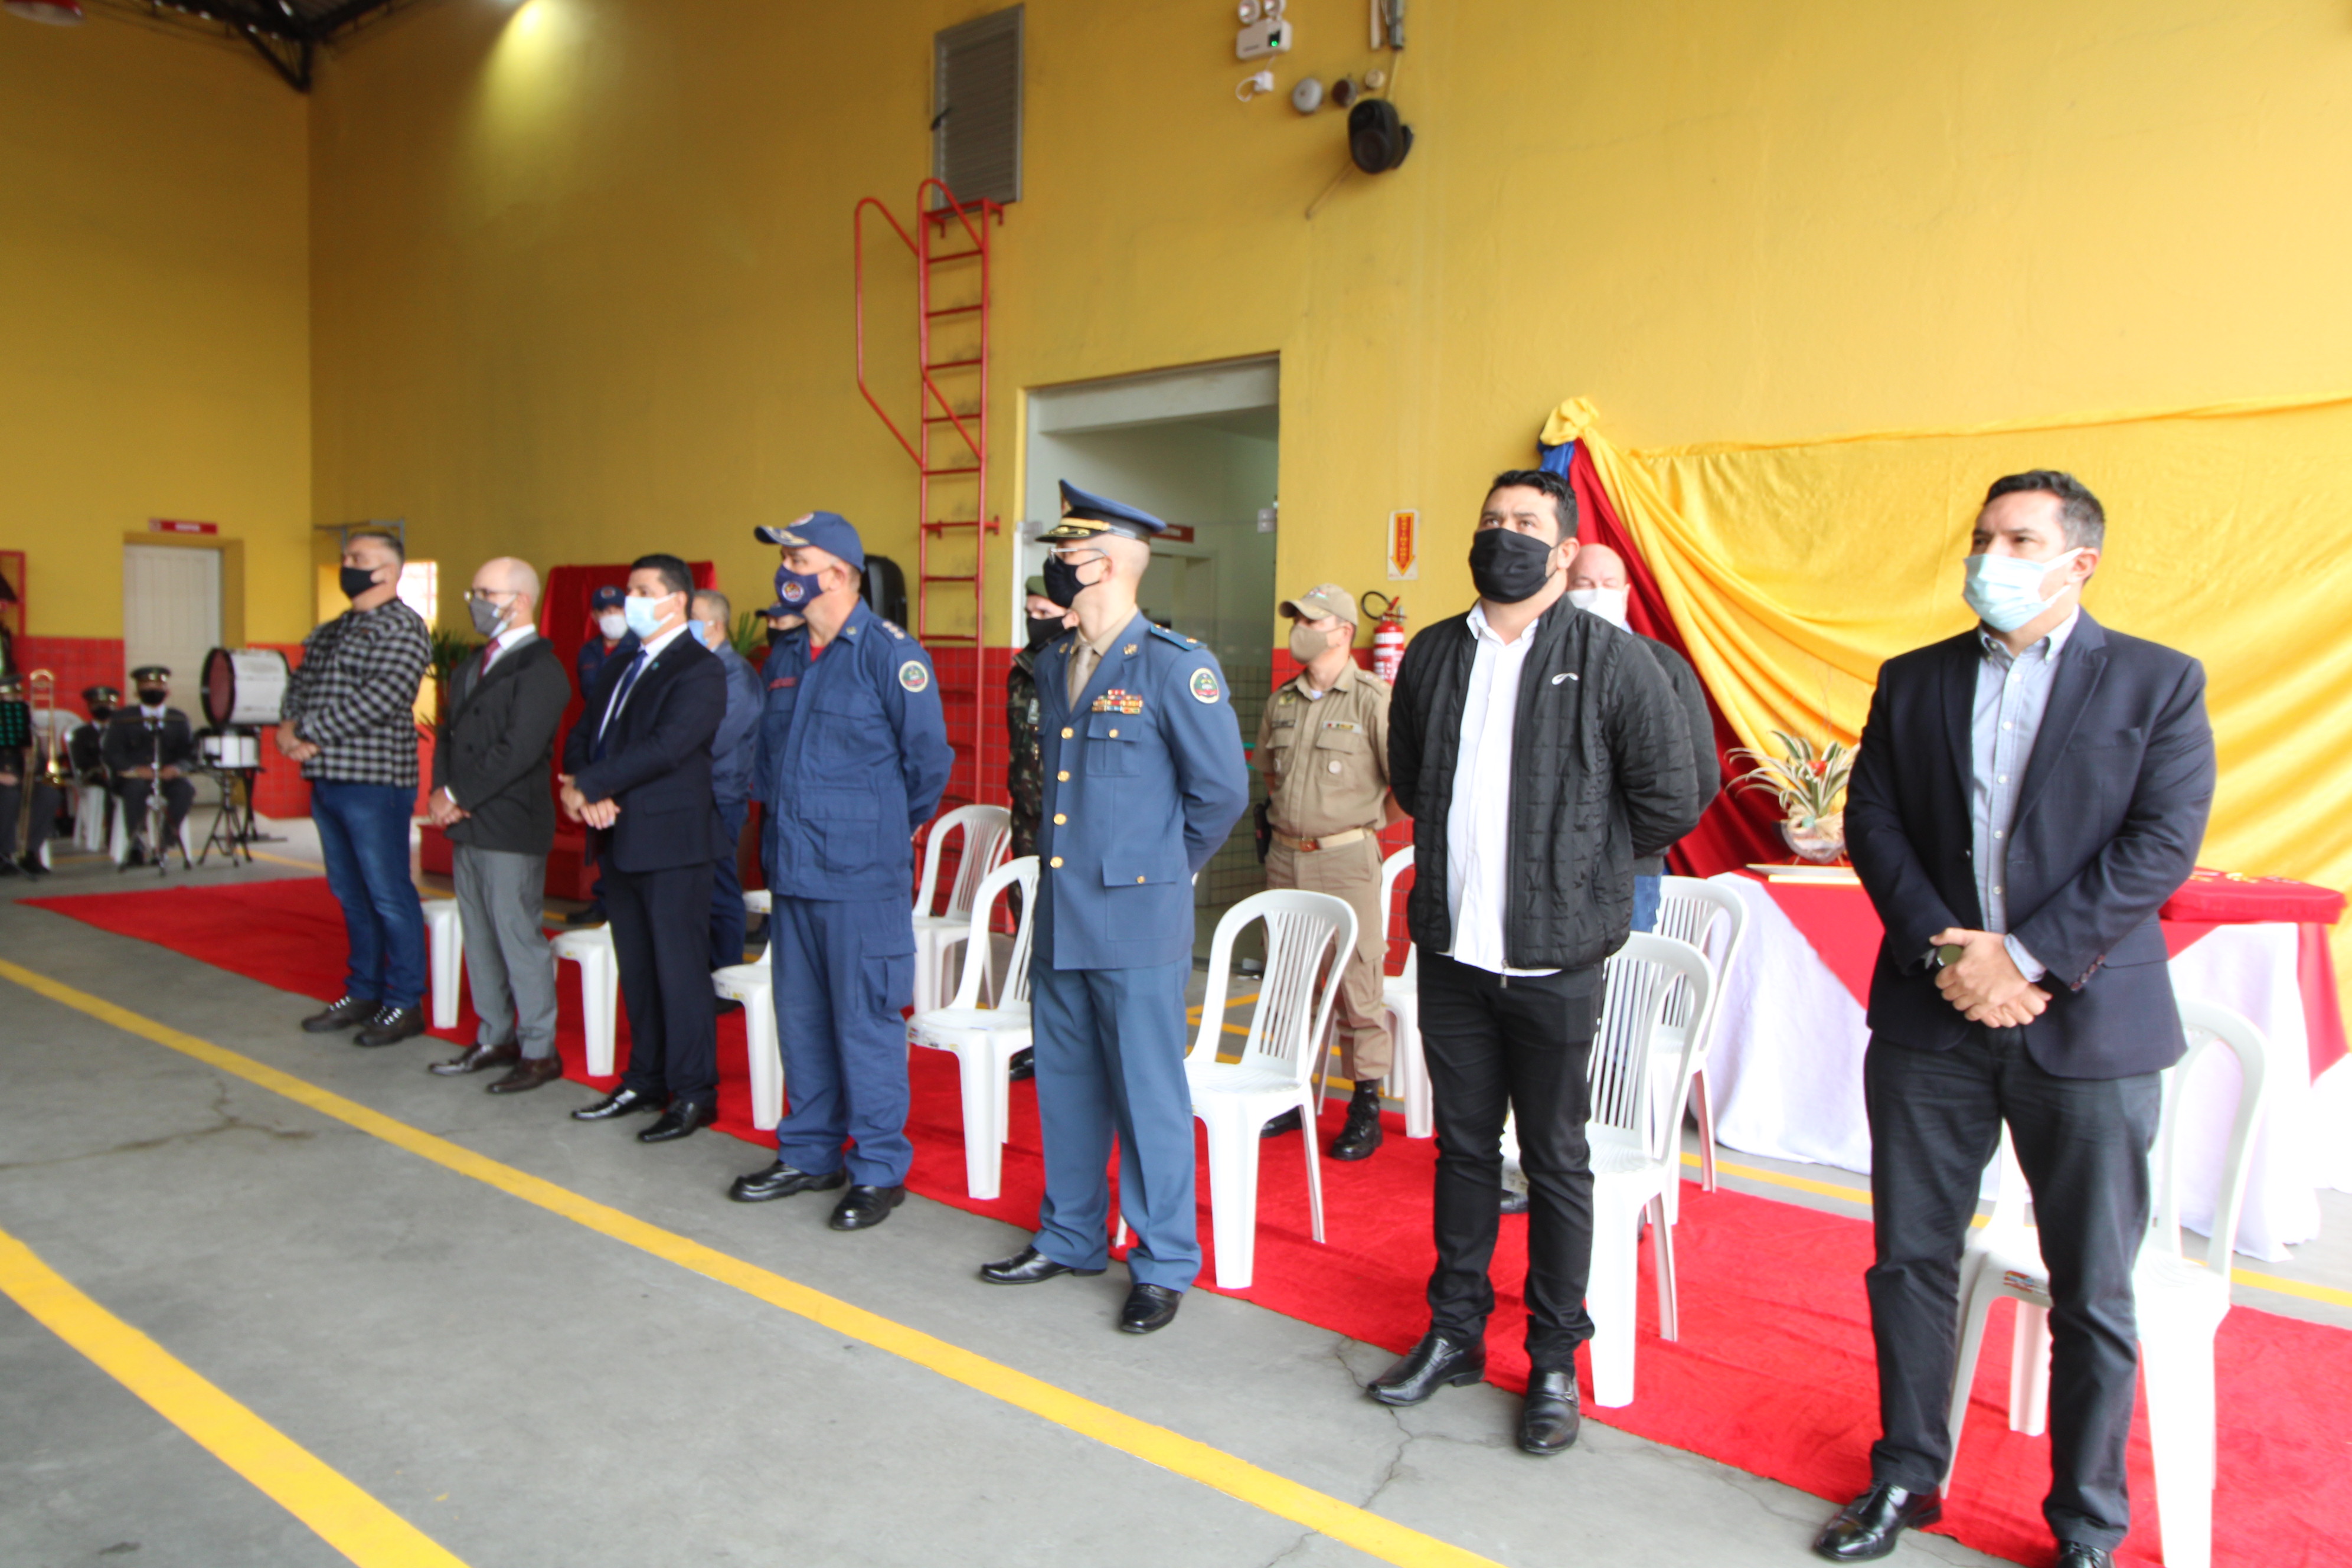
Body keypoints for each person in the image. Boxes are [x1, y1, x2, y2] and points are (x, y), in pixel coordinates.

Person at [1815, 472, 2214, 1568]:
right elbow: (1873, 821)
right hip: (1931, 1014)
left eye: (2019, 540)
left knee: (2092, 1286)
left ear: (2078, 562)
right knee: (1909, 1262)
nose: (1989, 556)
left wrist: (2023, 959)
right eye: (1983, 536)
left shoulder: (2156, 682)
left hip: (2085, 1025)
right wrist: (1954, 953)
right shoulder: (1915, 679)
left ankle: (2084, 1523)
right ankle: (1905, 1475)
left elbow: (2160, 843)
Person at [1375, 467, 1703, 1455]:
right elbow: (1412, 778)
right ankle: (1454, 1332)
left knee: (1556, 1159)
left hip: (1557, 959)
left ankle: (1554, 1357)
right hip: (1453, 951)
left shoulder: (1612, 659)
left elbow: (1671, 799)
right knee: (1463, 1150)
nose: (1503, 535)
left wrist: (1577, 871)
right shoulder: (1435, 654)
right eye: (1491, 520)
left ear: (1562, 550)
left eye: (1525, 522)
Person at [975, 482, 1249, 1335]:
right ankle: (1071, 1235)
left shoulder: (1173, 666)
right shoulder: (1058, 661)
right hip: (1063, 912)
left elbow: (1221, 793)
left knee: (1146, 1094)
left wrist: (1162, 872)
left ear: (1106, 565)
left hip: (1135, 920)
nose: (1055, 569)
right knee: (1066, 1085)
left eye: (1066, 556)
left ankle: (1163, 1261)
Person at [726, 517, 952, 1231]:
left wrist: (877, 830)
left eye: (798, 559)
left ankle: (879, 1170)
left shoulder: (890, 654)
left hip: (861, 878)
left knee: (865, 1025)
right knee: (801, 1022)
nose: (786, 569)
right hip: (794, 871)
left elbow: (928, 764)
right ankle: (810, 1153)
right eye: (784, 558)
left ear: (840, 573)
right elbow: (771, 760)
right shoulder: (789, 651)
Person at [561, 554, 730, 1144]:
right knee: (637, 969)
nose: (628, 601)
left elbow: (667, 747)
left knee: (679, 973)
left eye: (641, 590)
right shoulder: (620, 664)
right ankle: (645, 1080)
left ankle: (694, 1093)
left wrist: (593, 785)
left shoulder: (700, 669)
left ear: (677, 600)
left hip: (672, 843)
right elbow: (583, 734)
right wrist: (584, 786)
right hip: (619, 837)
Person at [1256, 583, 1403, 1161]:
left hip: (1346, 861)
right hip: (1285, 857)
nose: (1300, 630)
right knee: (1287, 979)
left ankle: (1365, 1103)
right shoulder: (1282, 701)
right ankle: (1290, 1092)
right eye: (1296, 619)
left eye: (1311, 621)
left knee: (1357, 984)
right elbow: (1271, 775)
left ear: (1343, 631)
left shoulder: (1373, 699)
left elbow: (1405, 787)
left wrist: (1361, 826)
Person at [426, 557, 574, 1094]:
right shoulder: (473, 664)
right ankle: (495, 1036)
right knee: (480, 934)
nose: (476, 602)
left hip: (510, 824)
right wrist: (442, 793)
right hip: (468, 823)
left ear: (521, 601)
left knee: (516, 935)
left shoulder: (541, 669)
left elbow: (518, 750)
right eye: (475, 591)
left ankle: (539, 1049)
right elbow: (448, 734)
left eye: (487, 593)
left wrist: (457, 796)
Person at [280, 531, 435, 1047]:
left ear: (388, 572)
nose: (347, 564)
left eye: (358, 559)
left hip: (374, 782)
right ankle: (363, 991)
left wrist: (308, 731)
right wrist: (289, 726)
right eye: (346, 557)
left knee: (388, 893)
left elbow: (382, 697)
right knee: (350, 893)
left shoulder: (403, 627)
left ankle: (404, 1001)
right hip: (327, 777)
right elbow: (300, 684)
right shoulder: (333, 629)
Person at [1564, 543, 1723, 931]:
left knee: (1625, 971)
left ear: (1625, 595)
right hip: (1543, 868)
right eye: (1583, 583)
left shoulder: (1664, 667)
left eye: (1608, 584)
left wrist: (1627, 844)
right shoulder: (1538, 663)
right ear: (1563, 590)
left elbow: (1701, 777)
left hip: (1630, 872)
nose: (1596, 593)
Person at [688, 588, 764, 979]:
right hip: (693, 794)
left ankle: (727, 975)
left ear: (714, 625)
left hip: (720, 796)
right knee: (697, 889)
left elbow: (715, 739)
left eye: (692, 618)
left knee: (720, 888)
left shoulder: (737, 675)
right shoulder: (697, 669)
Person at [564, 584, 641, 927]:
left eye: (618, 610)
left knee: (623, 829)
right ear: (595, 616)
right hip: (596, 744)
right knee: (599, 833)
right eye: (605, 612)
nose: (612, 617)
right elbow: (589, 706)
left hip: (626, 751)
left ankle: (620, 902)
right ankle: (603, 899)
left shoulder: (638, 647)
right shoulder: (589, 652)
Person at [103, 665, 200, 867]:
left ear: (167, 691)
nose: (152, 689)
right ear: (137, 692)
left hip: (167, 777)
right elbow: (112, 753)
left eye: (157, 686)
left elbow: (190, 754)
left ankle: (165, 842)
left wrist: (177, 768)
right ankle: (137, 846)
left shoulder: (178, 718)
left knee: (185, 790)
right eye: (146, 686)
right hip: (134, 778)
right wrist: (135, 769)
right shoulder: (123, 718)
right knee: (135, 790)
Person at [0, 671, 61, 878]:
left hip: (19, 778)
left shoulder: (22, 721)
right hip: (3, 782)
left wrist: (33, 759)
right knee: (9, 796)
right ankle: (4, 854)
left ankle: (29, 851)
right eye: (11, 697)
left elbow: (40, 763)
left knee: (49, 794)